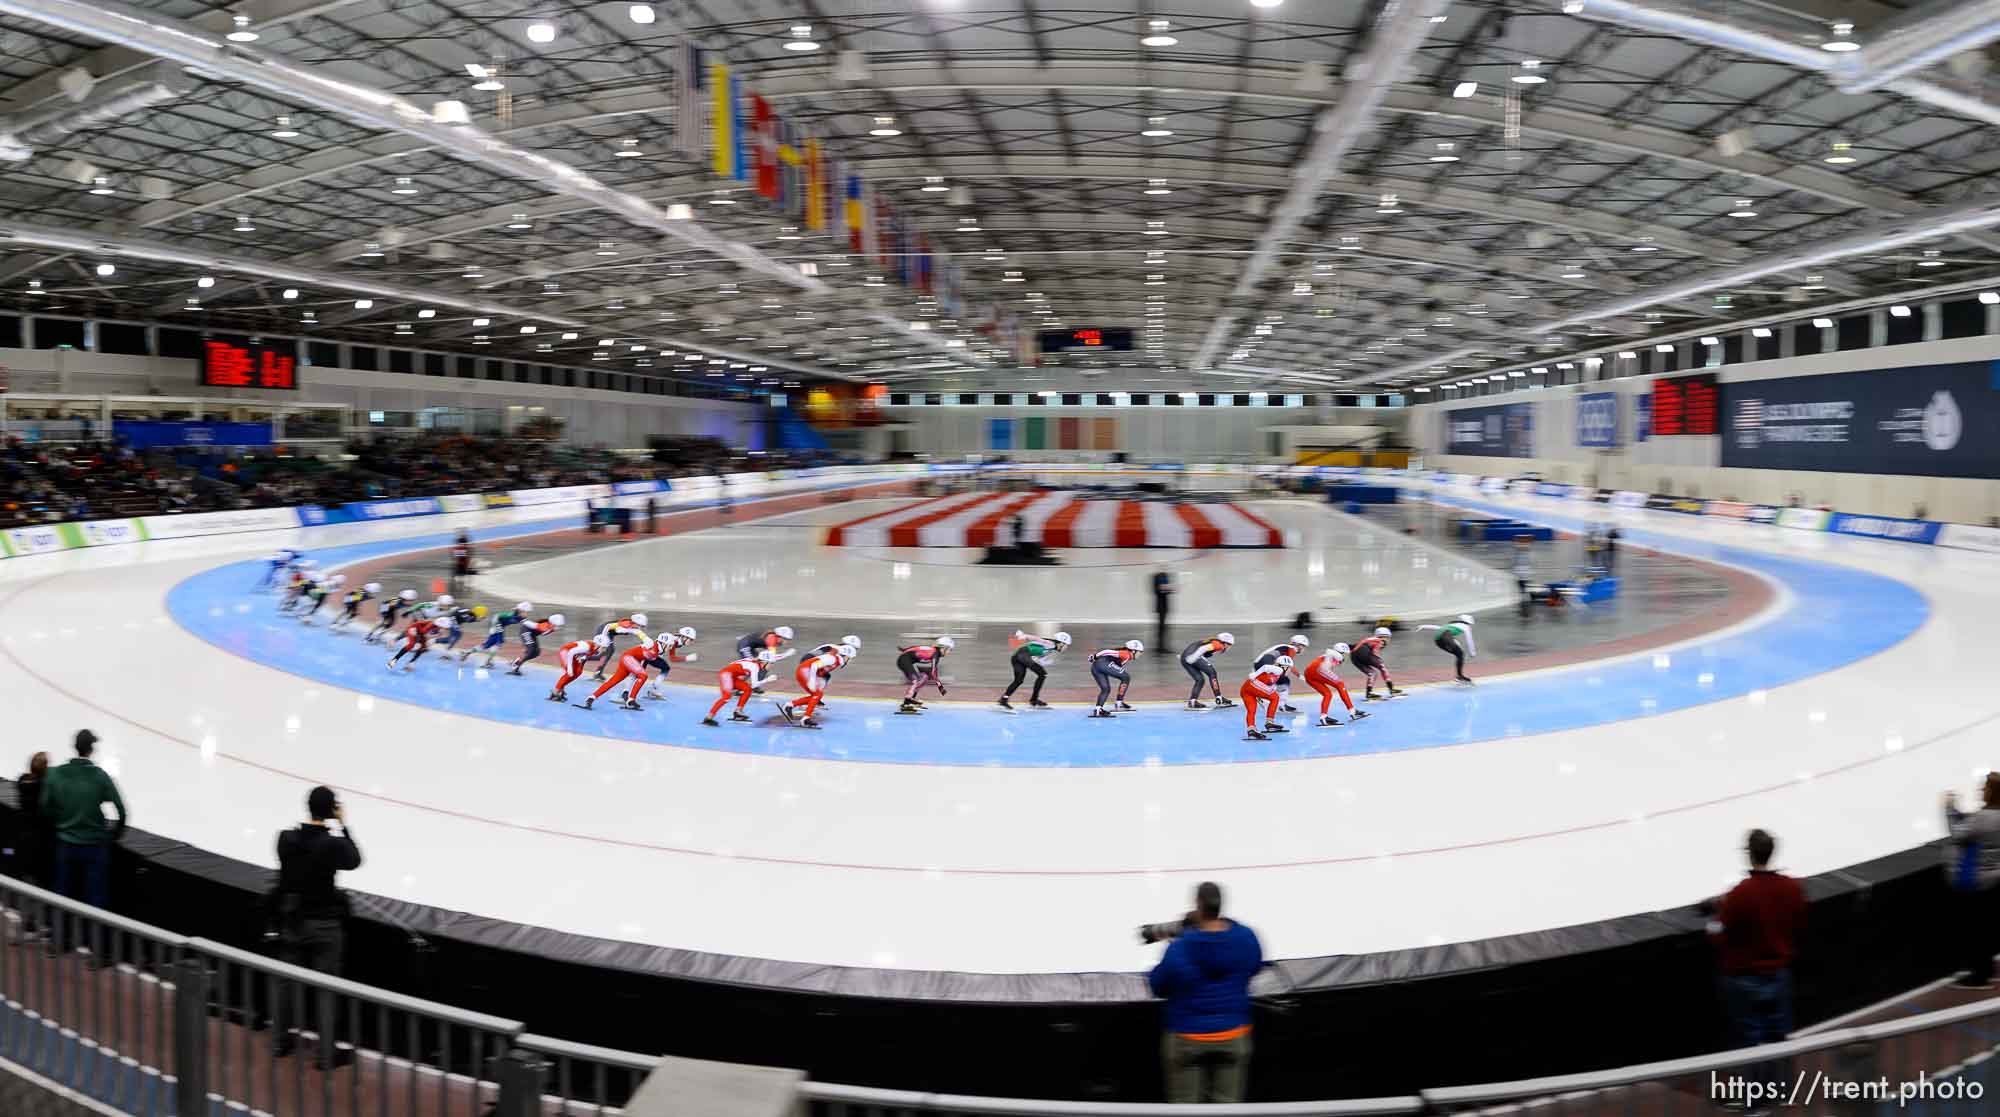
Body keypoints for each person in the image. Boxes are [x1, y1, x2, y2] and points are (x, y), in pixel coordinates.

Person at [1147, 882, 1263, 1104]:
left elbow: (1157, 986)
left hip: (1187, 1038)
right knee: (1227, 1107)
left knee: (1185, 1108)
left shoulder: (1180, 947)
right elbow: (1254, 967)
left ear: (1198, 905)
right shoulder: (1246, 938)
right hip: (1233, 1034)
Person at [272, 786, 362, 1066]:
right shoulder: (331, 844)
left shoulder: (286, 839)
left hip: (293, 921)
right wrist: (343, 824)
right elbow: (354, 859)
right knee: (325, 989)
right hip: (324, 925)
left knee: (285, 984)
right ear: (331, 810)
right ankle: (325, 1054)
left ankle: (279, 1042)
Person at [1706, 829, 1806, 1074]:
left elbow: (1719, 934)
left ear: (1749, 854)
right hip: (1779, 975)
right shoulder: (1791, 888)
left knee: (1749, 1042)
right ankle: (1782, 1091)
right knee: (1779, 1036)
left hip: (1745, 978)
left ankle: (1754, 1103)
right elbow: (1798, 922)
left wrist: (1711, 921)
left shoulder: (1740, 894)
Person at [41, 730, 126, 910]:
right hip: (95, 844)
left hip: (66, 841)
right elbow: (121, 811)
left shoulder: (55, 774)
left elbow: (44, 806)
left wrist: (58, 824)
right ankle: (93, 936)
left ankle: (58, 932)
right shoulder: (100, 776)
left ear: (75, 747)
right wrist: (114, 835)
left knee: (61, 894)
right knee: (95, 898)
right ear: (91, 749)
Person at [1943, 775, 2000, 987]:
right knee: (1986, 927)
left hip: (1975, 879)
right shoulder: (1991, 816)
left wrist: (1949, 808)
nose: (1980, 791)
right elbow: (1972, 826)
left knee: (1975, 930)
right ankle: (1987, 970)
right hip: (1993, 876)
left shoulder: (1985, 817)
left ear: (1992, 792)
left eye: (1984, 787)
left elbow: (1958, 833)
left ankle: (1979, 976)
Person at [10, 751, 54, 890]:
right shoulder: (43, 786)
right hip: (38, 838)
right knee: (36, 874)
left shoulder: (22, 780)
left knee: (23, 869)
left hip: (21, 836)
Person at [999, 630, 1068, 710]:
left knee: (1019, 680)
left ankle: (1003, 700)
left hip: (1017, 657)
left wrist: (1045, 662)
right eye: (1066, 645)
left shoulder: (1050, 650)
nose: (1066, 648)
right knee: (1042, 674)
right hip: (1023, 655)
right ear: (1061, 643)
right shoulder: (1051, 644)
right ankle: (1034, 700)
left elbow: (1038, 659)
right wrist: (1023, 635)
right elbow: (1037, 639)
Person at [1180, 633, 1237, 711]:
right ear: (1224, 642)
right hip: (1192, 657)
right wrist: (1192, 658)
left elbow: (1202, 649)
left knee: (1200, 680)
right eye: (1229, 644)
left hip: (1184, 658)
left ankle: (1192, 702)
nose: (1229, 647)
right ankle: (1219, 698)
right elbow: (1203, 649)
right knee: (1212, 673)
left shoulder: (1214, 642)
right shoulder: (1218, 644)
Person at [1416, 615, 1477, 684]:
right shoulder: (1466, 626)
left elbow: (1439, 628)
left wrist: (1424, 626)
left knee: (1459, 654)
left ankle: (1459, 676)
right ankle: (1459, 676)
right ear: (1468, 622)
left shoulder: (1451, 624)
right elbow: (1469, 639)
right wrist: (1472, 652)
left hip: (1437, 640)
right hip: (1445, 637)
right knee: (1460, 654)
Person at [1151, 569, 1174, 643]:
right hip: (1161, 606)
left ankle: (1162, 645)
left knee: (1163, 627)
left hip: (1164, 606)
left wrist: (1169, 590)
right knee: (1161, 627)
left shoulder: (1166, 577)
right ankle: (1160, 646)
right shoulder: (1156, 577)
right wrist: (1165, 589)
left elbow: (1166, 590)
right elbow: (1156, 590)